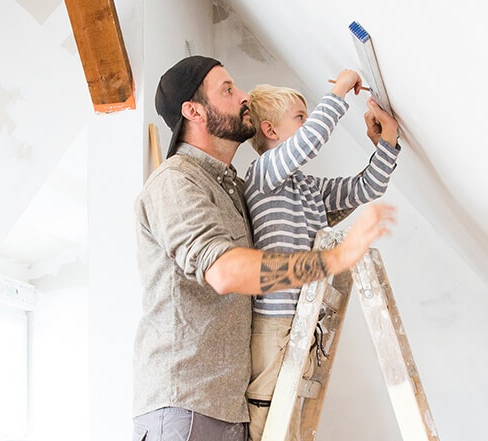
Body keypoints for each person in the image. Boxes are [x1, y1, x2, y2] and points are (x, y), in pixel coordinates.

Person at [132, 56, 396, 441]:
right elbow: (223, 271)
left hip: (229, 405)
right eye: (227, 89)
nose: (243, 96)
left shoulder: (236, 189)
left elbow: (350, 193)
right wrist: (334, 259)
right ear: (194, 111)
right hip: (187, 404)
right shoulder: (175, 182)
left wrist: (387, 144)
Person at [243, 72, 401, 441]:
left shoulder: (308, 188)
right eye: (300, 117)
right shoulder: (262, 174)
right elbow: (308, 144)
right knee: (268, 425)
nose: (308, 121)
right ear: (271, 129)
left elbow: (368, 186)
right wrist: (340, 89)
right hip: (274, 326)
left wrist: (387, 140)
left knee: (293, 429)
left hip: (304, 322)